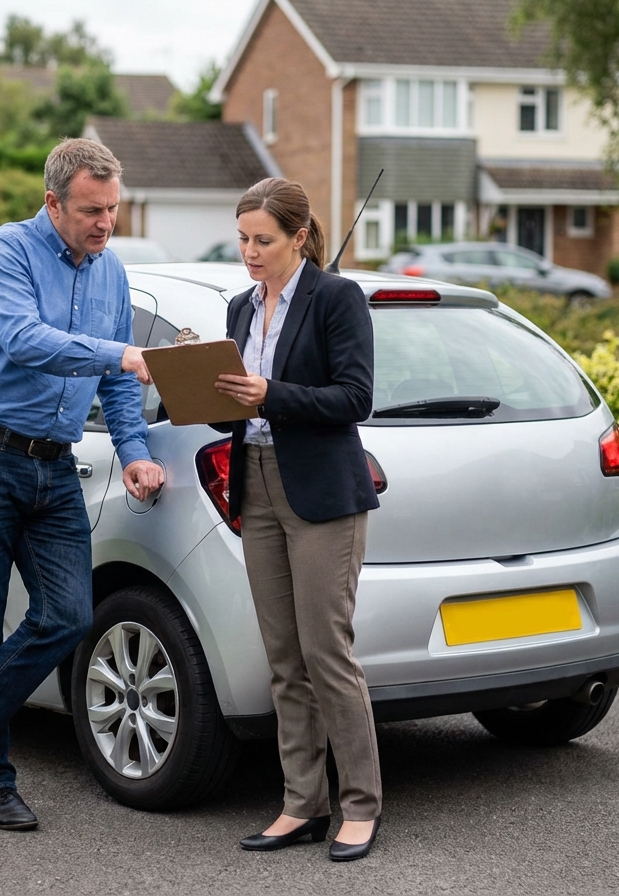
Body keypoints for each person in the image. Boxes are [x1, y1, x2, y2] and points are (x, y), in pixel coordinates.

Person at [0, 138, 165, 832]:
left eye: (113, 209)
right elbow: (25, 338)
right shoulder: (5, 252)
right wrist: (124, 351)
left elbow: (114, 383)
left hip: (54, 465)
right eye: (90, 210)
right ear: (52, 202)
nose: (105, 223)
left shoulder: (113, 276)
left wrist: (135, 452)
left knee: (69, 615)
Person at [213, 177, 383, 862]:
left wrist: (269, 394)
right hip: (254, 483)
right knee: (283, 658)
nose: (250, 252)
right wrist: (195, 387)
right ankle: (300, 804)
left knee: (326, 653)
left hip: (320, 492)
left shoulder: (337, 299)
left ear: (299, 238)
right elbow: (235, 409)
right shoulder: (238, 309)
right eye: (244, 239)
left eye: (264, 240)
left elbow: (355, 397)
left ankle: (361, 806)